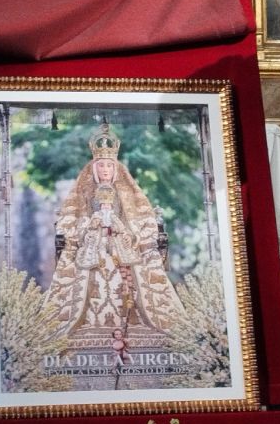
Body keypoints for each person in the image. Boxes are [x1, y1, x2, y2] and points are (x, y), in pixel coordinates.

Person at [43, 123, 185, 339]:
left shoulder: (125, 192)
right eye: (101, 166)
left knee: (133, 270)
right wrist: (90, 224)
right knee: (85, 268)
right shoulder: (85, 192)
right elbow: (72, 219)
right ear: (94, 169)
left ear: (116, 169)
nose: (105, 170)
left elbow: (138, 217)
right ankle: (86, 322)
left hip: (121, 244)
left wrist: (126, 230)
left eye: (109, 166)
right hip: (92, 244)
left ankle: (133, 319)